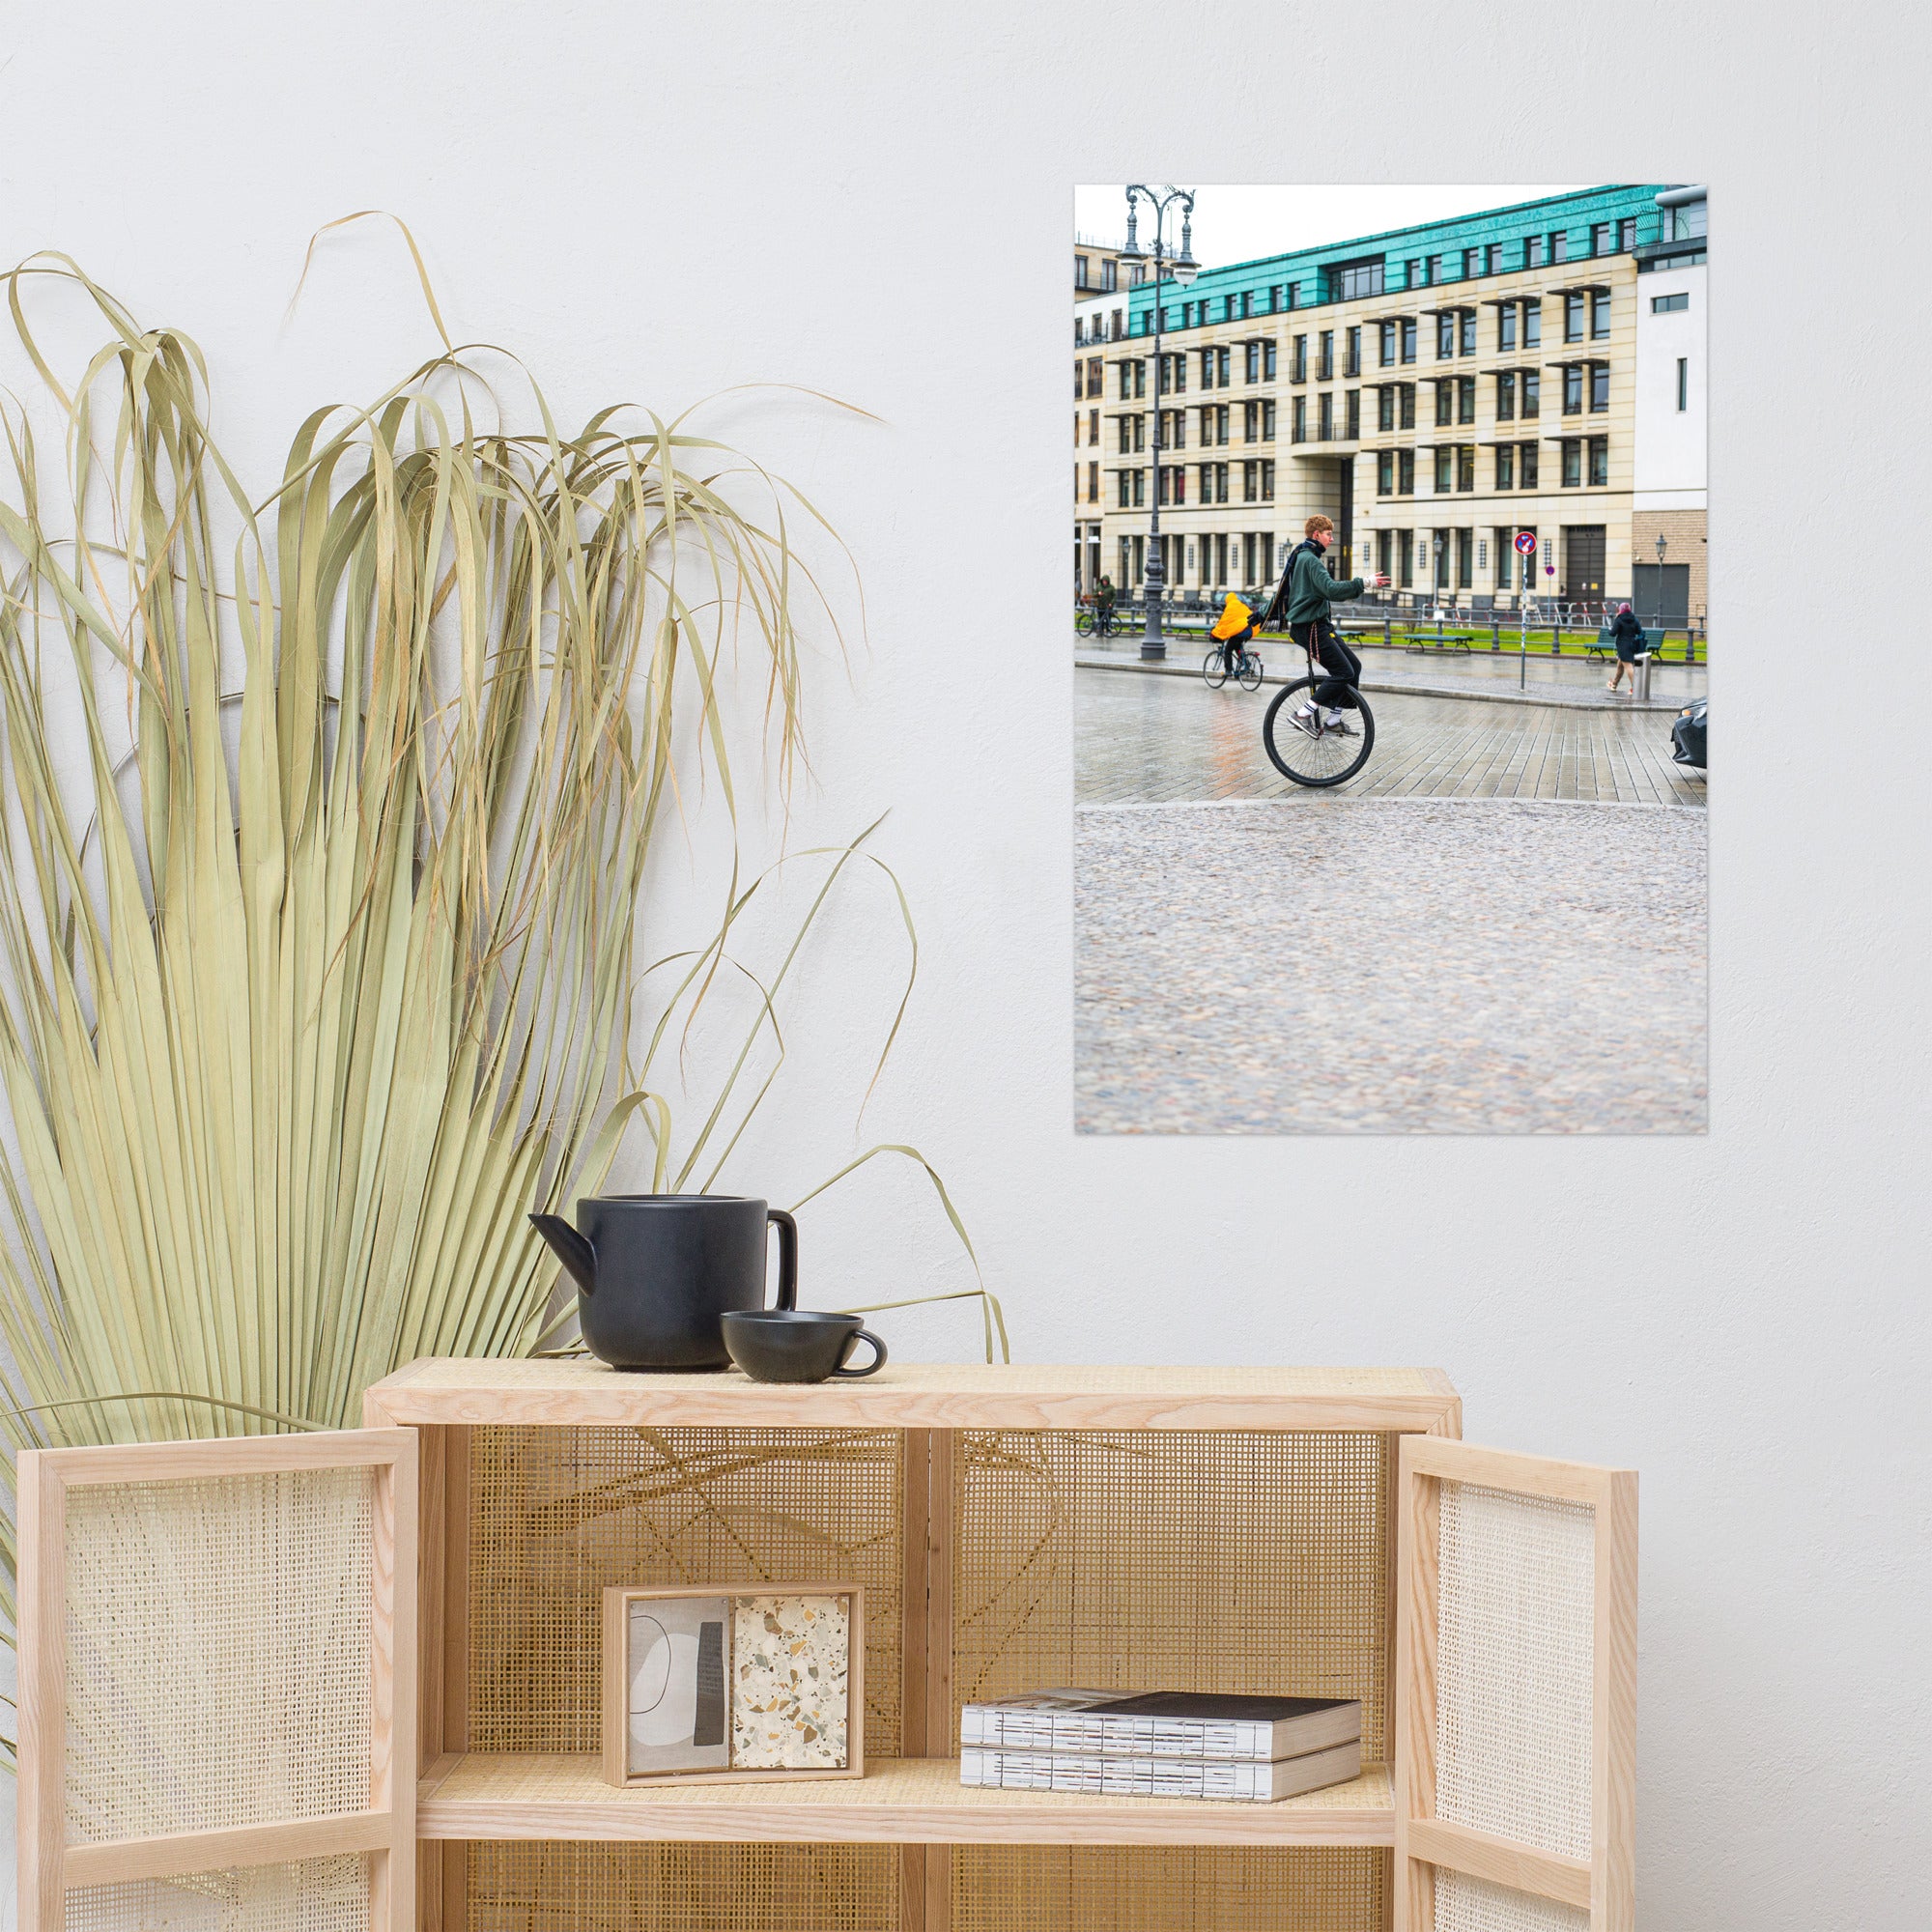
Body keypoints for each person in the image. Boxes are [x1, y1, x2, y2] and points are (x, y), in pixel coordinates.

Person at [1262, 515, 1388, 733]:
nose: (1332, 539)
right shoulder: (1309, 559)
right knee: (1343, 672)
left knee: (1354, 668)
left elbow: (1285, 592)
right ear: (1316, 534)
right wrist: (1365, 582)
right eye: (1329, 534)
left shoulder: (1302, 556)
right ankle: (1303, 714)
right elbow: (1331, 589)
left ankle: (1332, 720)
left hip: (1318, 626)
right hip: (1310, 628)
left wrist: (1259, 615)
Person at [1208, 590, 1257, 677]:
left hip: (1240, 632)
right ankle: (1246, 665)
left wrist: (1215, 632)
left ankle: (1228, 671)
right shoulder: (1241, 605)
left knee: (1228, 650)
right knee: (1237, 647)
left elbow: (1223, 622)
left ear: (1227, 600)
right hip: (1249, 631)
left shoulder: (1230, 607)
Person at [1606, 601, 1647, 693]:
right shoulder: (1634, 619)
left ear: (1621, 609)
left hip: (1622, 646)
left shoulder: (1619, 619)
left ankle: (1635, 688)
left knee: (1629, 666)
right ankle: (1614, 685)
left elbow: (1613, 633)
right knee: (1620, 666)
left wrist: (1609, 630)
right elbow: (1639, 631)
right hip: (1632, 644)